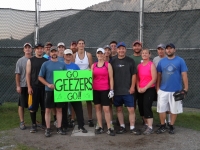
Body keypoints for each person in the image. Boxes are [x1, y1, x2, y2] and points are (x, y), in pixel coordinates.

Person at [156, 43, 188, 134]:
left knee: (174, 109)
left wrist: (185, 88)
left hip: (176, 90)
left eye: (171, 48)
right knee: (161, 109)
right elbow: (159, 75)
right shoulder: (162, 61)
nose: (169, 50)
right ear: (165, 50)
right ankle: (162, 125)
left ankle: (171, 126)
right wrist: (157, 88)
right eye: (167, 49)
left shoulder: (180, 60)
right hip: (163, 90)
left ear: (175, 50)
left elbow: (184, 74)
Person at [111, 42, 140, 135]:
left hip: (128, 90)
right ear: (117, 50)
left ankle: (132, 127)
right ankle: (122, 126)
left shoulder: (130, 61)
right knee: (119, 109)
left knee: (131, 109)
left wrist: (132, 87)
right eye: (119, 49)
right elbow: (111, 76)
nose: (121, 50)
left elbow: (134, 75)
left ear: (125, 50)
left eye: (123, 48)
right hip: (117, 90)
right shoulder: (113, 62)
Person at [38, 46, 66, 137]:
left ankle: (59, 127)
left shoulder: (62, 64)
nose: (54, 53)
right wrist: (48, 84)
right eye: (52, 52)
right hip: (49, 90)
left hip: (59, 91)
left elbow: (66, 78)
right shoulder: (45, 64)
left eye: (55, 52)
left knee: (59, 109)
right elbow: (40, 77)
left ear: (58, 53)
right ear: (50, 53)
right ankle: (48, 128)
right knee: (48, 110)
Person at [63, 49, 88, 133]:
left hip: (75, 91)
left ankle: (81, 126)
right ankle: (65, 126)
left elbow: (80, 78)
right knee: (64, 109)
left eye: (70, 55)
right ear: (64, 56)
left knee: (78, 108)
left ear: (72, 56)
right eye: (67, 55)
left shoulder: (75, 66)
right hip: (64, 91)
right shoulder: (61, 66)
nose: (68, 56)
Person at [92, 48, 115, 136]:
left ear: (104, 54)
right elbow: (91, 78)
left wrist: (112, 89)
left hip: (105, 89)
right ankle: (100, 127)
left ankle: (109, 127)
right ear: (96, 54)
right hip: (96, 90)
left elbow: (111, 78)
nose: (100, 55)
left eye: (101, 53)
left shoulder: (107, 65)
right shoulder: (93, 65)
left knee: (106, 109)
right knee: (98, 109)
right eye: (98, 53)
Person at [26, 43, 48, 133]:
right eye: (38, 48)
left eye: (41, 48)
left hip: (44, 87)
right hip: (34, 87)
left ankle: (44, 124)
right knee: (33, 107)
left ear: (43, 50)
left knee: (44, 107)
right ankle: (34, 125)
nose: (39, 50)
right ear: (35, 50)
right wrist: (29, 86)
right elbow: (28, 74)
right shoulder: (30, 60)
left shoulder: (46, 60)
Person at [74, 39, 94, 127]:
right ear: (77, 45)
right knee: (75, 100)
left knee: (88, 100)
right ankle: (73, 118)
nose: (81, 45)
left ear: (84, 45)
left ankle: (90, 119)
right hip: (76, 80)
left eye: (82, 43)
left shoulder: (88, 55)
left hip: (86, 80)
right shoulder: (74, 55)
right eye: (79, 43)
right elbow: (72, 67)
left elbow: (92, 67)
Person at [137, 49, 157, 135]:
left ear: (149, 55)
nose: (144, 54)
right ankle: (145, 124)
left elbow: (154, 79)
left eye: (146, 53)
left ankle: (150, 127)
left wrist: (145, 87)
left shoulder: (151, 65)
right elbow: (137, 79)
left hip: (149, 89)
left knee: (146, 106)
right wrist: (138, 87)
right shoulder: (139, 66)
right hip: (140, 89)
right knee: (141, 107)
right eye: (143, 53)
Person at [153, 44, 171, 127]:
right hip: (158, 83)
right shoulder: (155, 59)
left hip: (167, 84)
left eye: (162, 49)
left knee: (169, 104)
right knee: (161, 104)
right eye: (159, 49)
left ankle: (169, 122)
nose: (160, 51)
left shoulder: (169, 58)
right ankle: (163, 122)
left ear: (165, 50)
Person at [15, 43, 32, 130]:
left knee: (32, 104)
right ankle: (22, 121)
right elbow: (17, 74)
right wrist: (18, 86)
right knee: (21, 104)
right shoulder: (20, 61)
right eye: (26, 48)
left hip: (32, 86)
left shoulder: (34, 59)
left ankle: (34, 121)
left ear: (31, 49)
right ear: (23, 50)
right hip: (23, 85)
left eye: (29, 47)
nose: (28, 49)